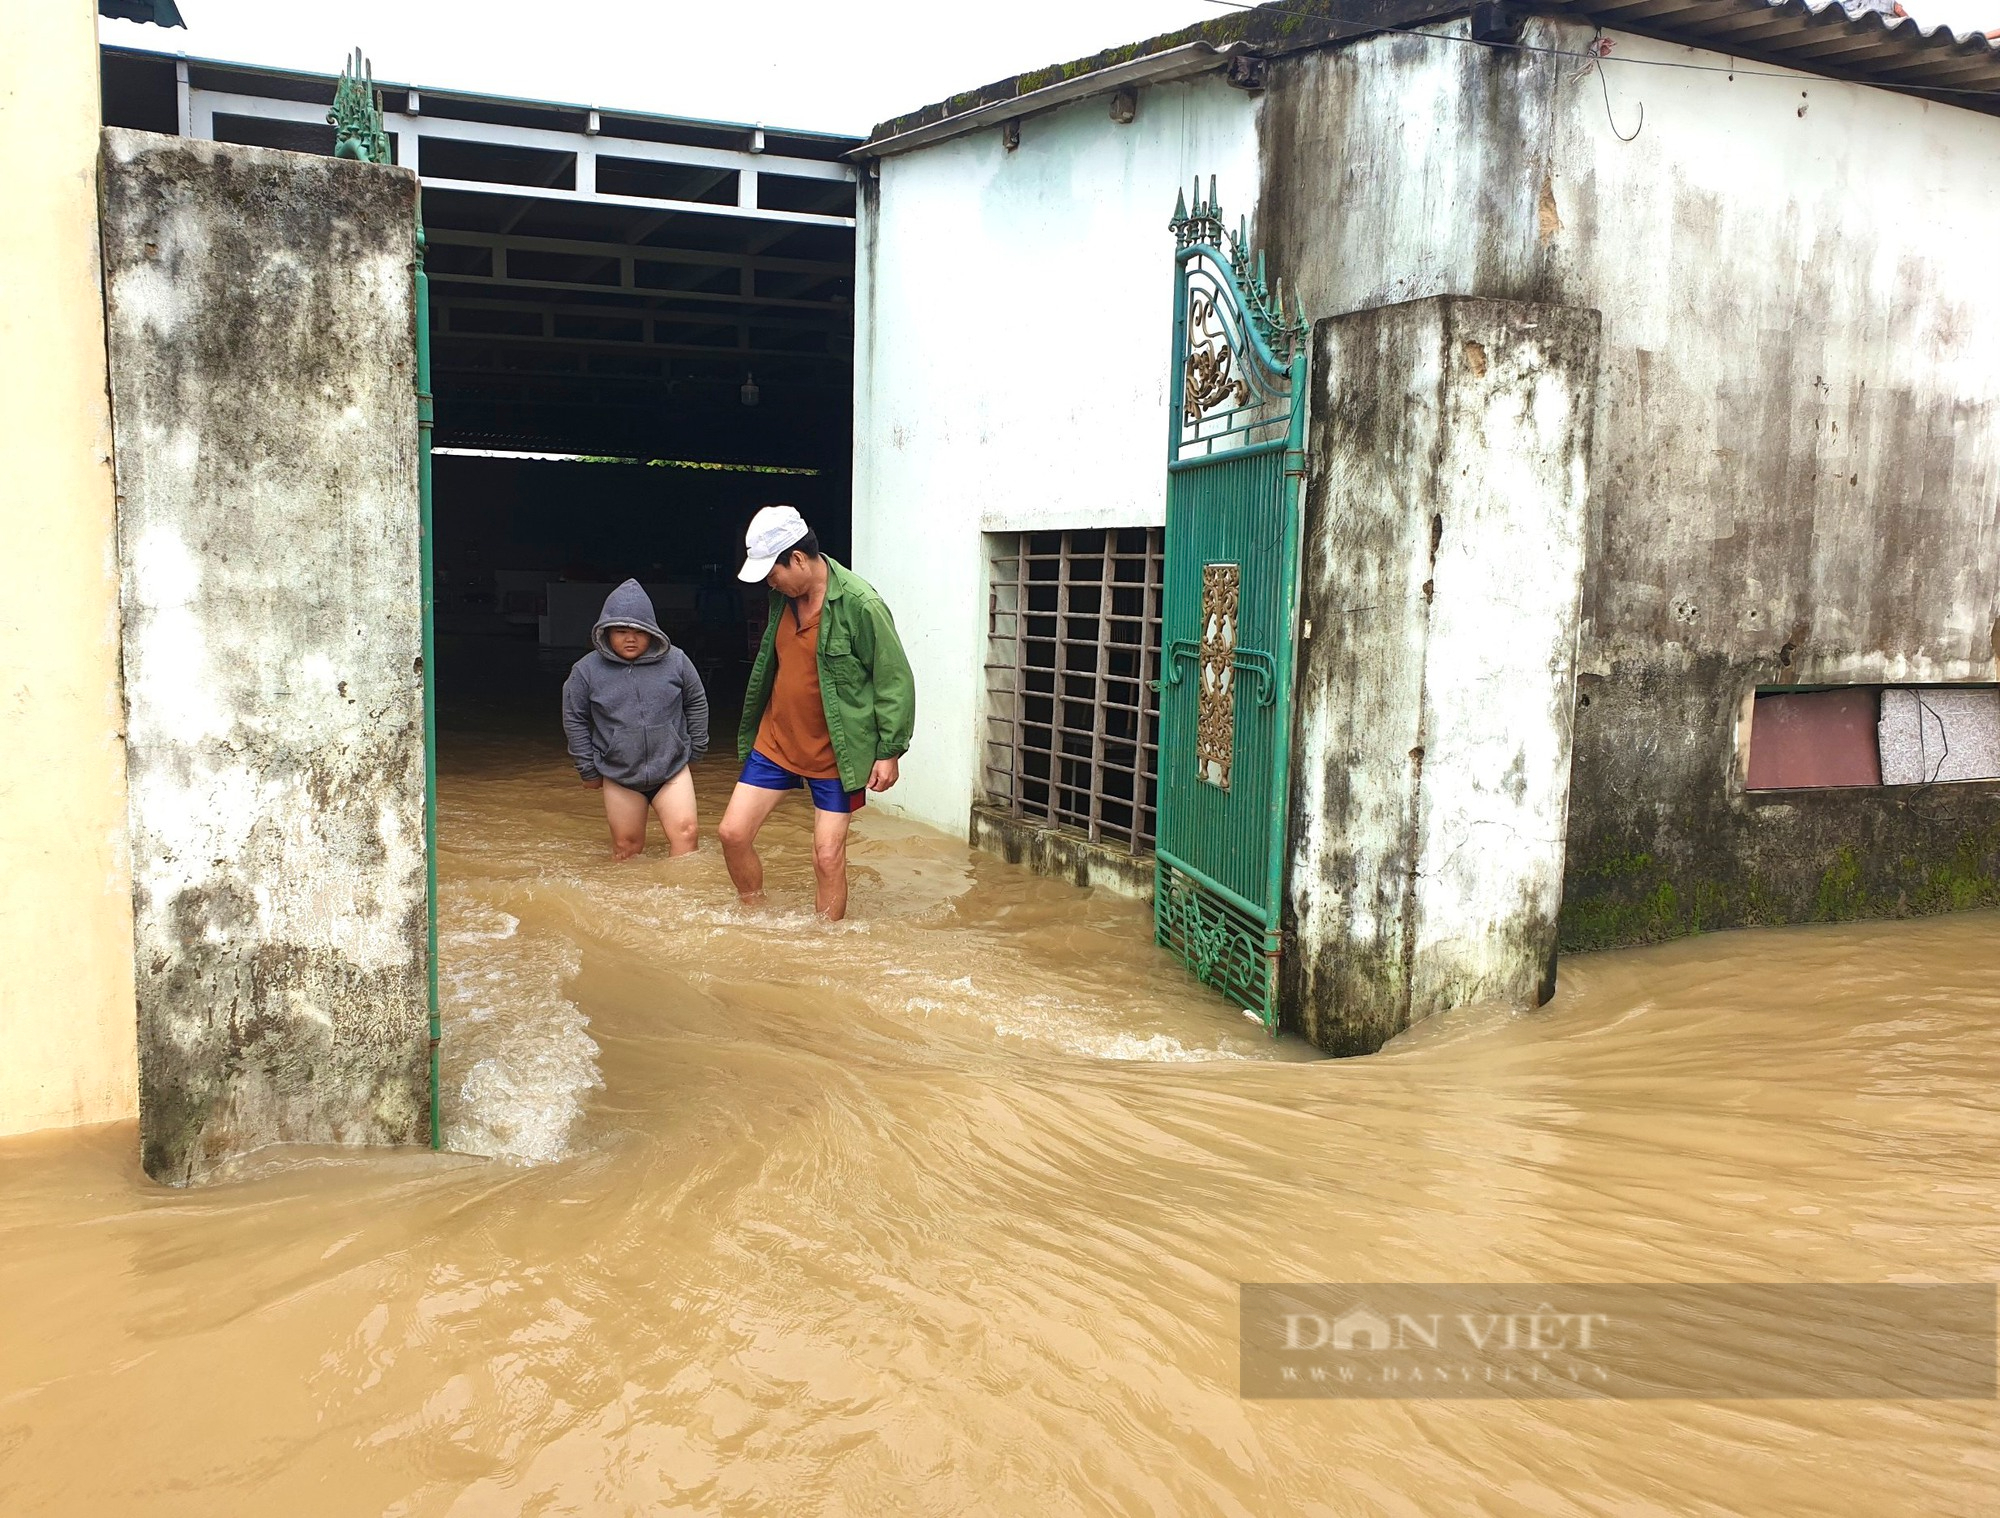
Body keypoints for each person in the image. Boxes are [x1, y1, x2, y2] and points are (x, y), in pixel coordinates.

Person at [718, 506, 914, 920]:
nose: (769, 582)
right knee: (732, 833)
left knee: (827, 856)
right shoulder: (781, 599)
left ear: (799, 559)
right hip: (776, 740)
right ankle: (754, 916)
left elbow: (893, 679)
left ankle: (828, 945)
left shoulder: (862, 605)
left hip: (835, 752)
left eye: (773, 572)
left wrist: (889, 750)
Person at [561, 579, 708, 860]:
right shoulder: (585, 671)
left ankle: (681, 902)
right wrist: (588, 770)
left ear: (653, 632)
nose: (630, 638)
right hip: (619, 774)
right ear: (605, 632)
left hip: (672, 769)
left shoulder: (677, 661)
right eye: (621, 631)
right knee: (627, 849)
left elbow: (697, 702)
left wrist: (696, 750)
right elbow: (574, 719)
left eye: (639, 631)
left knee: (687, 836)